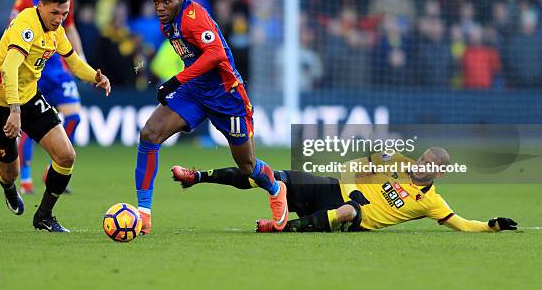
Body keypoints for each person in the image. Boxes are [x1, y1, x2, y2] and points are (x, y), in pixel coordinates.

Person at [135, 0, 288, 234]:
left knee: (247, 166)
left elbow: (216, 54)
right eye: (156, 2)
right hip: (195, 92)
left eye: (166, 1)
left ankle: (275, 189)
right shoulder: (168, 25)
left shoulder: (193, 16)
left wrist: (175, 81)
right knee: (150, 133)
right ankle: (143, 214)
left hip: (227, 94)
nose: (160, 7)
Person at [0, 0, 111, 232]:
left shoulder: (56, 32)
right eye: (55, 13)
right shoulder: (25, 26)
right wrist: (14, 112)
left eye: (64, 13)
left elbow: (73, 62)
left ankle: (44, 216)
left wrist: (95, 77)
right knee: (11, 171)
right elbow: (9, 69)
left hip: (28, 97)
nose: (60, 19)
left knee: (66, 155)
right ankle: (7, 185)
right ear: (41, 6)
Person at [172, 147, 518, 233]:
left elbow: (460, 223)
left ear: (438, 173)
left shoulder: (431, 202)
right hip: (333, 189)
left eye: (429, 165)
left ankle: (280, 228)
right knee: (271, 175)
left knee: (352, 211)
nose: (421, 165)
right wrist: (353, 189)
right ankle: (198, 176)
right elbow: (352, 166)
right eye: (423, 158)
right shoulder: (394, 160)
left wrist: (491, 225)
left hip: (354, 216)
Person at [10, 0, 86, 194]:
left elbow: (70, 28)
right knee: (30, 125)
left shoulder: (64, 2)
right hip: (34, 71)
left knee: (74, 117)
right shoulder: (24, 1)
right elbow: (11, 30)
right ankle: (25, 178)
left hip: (58, 70)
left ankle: (53, 167)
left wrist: (81, 58)